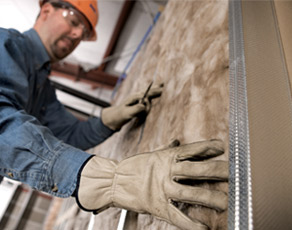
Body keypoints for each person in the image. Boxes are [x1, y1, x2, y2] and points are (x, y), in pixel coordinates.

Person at [0, 1, 228, 229]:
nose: (78, 34)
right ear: (46, 10)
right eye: (73, 20)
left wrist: (110, 119)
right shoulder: (5, 44)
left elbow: (70, 133)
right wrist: (102, 179)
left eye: (84, 33)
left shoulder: (42, 87)